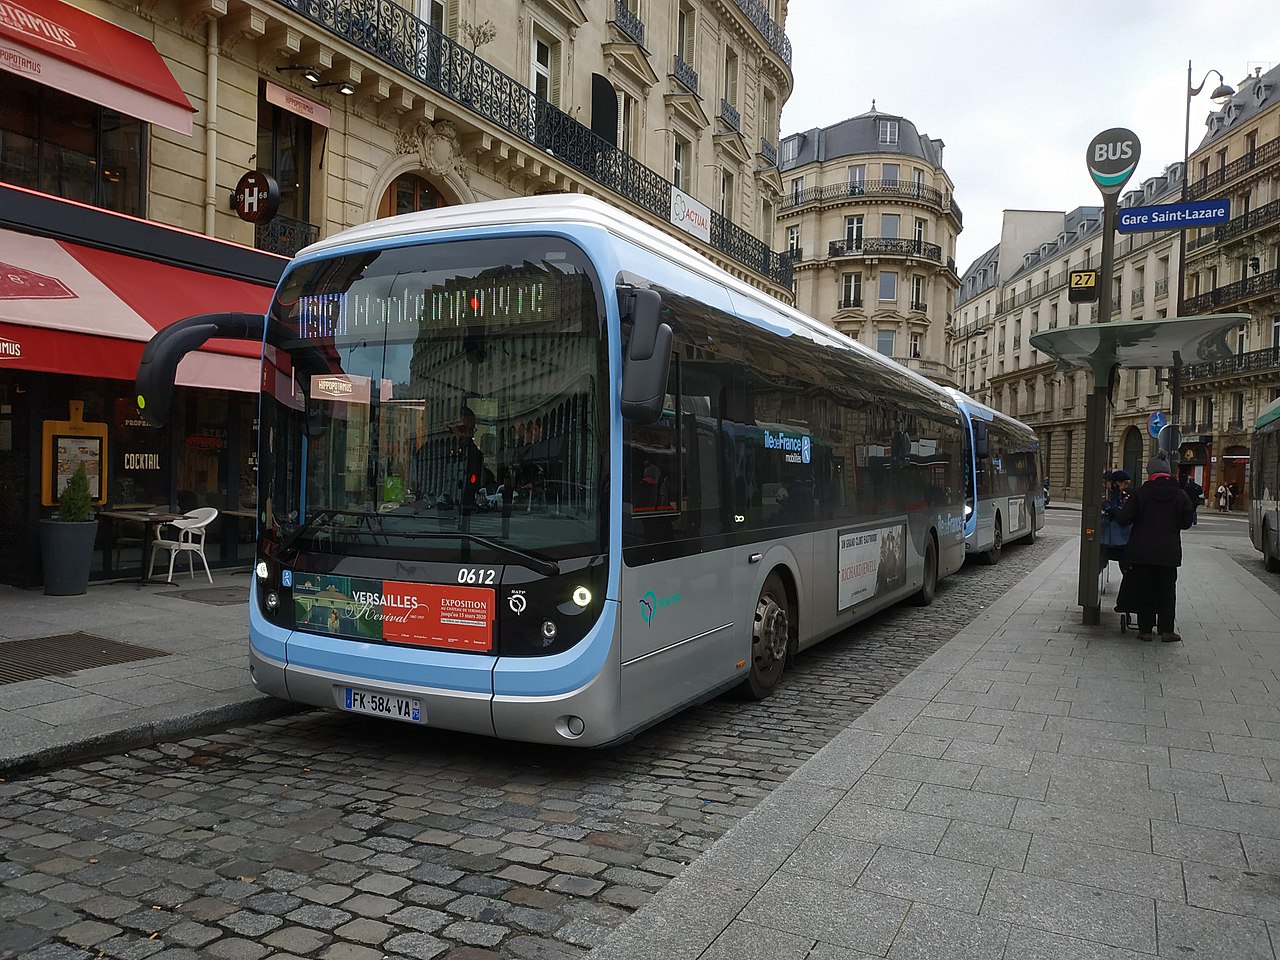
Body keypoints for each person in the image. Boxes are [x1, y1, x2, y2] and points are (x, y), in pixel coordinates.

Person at [1111, 452, 1195, 642]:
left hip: (1142, 552)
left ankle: (1145, 630)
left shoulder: (1140, 493)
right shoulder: (1180, 494)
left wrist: (1115, 510)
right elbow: (1186, 522)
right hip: (1168, 552)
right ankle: (1166, 630)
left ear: (1150, 472)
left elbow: (1125, 518)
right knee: (1167, 590)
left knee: (1144, 590)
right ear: (1168, 472)